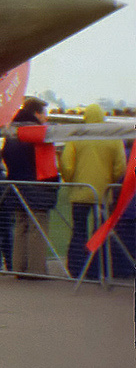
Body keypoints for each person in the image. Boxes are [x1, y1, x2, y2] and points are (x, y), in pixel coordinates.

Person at [60, 103, 127, 279]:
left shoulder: (77, 136)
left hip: (80, 191)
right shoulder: (113, 138)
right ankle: (99, 269)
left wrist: (71, 180)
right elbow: (120, 167)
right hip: (104, 192)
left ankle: (76, 269)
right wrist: (110, 182)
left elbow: (66, 165)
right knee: (100, 232)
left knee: (78, 230)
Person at [1, 98, 59, 278]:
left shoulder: (11, 131)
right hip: (38, 186)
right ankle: (36, 270)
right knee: (37, 229)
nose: (45, 118)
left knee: (20, 227)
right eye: (44, 114)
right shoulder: (40, 133)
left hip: (17, 186)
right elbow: (48, 165)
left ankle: (19, 267)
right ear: (36, 113)